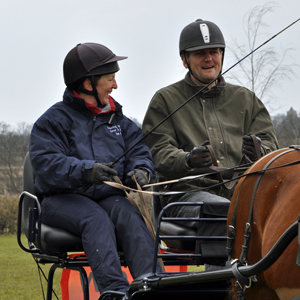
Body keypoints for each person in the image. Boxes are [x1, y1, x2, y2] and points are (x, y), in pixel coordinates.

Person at [142, 19, 278, 267]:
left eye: (214, 52)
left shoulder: (246, 100)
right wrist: (187, 159)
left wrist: (261, 151)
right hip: (185, 199)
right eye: (200, 53)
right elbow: (157, 153)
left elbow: (272, 145)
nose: (208, 59)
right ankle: (225, 286)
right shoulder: (165, 100)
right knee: (225, 212)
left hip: (243, 192)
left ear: (222, 55)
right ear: (185, 60)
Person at [29, 42, 161, 294]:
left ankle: (154, 290)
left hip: (108, 198)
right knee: (95, 219)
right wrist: (87, 171)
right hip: (60, 200)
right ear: (88, 84)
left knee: (130, 217)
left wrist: (141, 171)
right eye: (110, 78)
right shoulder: (52, 121)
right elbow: (47, 163)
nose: (115, 85)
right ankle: (115, 293)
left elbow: (139, 153)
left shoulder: (120, 121)